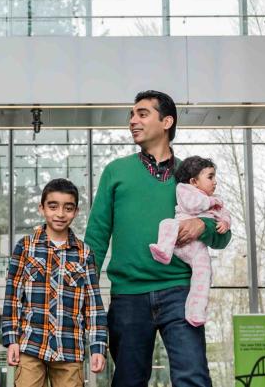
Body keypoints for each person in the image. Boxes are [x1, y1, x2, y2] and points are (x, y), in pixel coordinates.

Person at [85, 90, 232, 387]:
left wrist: (201, 225)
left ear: (166, 121)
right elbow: (96, 237)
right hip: (128, 296)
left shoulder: (190, 175)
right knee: (128, 381)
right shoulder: (116, 172)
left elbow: (222, 234)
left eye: (142, 114)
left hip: (180, 292)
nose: (132, 121)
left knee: (193, 378)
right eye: (131, 115)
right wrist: (84, 293)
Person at [2, 178, 108, 387]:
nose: (60, 214)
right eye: (53, 206)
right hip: (30, 345)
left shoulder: (85, 253)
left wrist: (98, 347)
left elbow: (94, 306)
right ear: (41, 208)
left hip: (69, 349)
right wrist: (11, 339)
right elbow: (13, 297)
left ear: (76, 212)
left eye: (68, 208)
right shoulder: (25, 247)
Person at [148, 156, 231, 327]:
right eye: (210, 177)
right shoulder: (184, 189)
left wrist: (224, 222)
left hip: (196, 247)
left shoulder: (216, 199)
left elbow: (225, 215)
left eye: (214, 177)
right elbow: (194, 205)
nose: (215, 182)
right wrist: (213, 202)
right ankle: (164, 250)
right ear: (193, 181)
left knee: (204, 271)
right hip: (177, 238)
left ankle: (196, 311)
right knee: (167, 224)